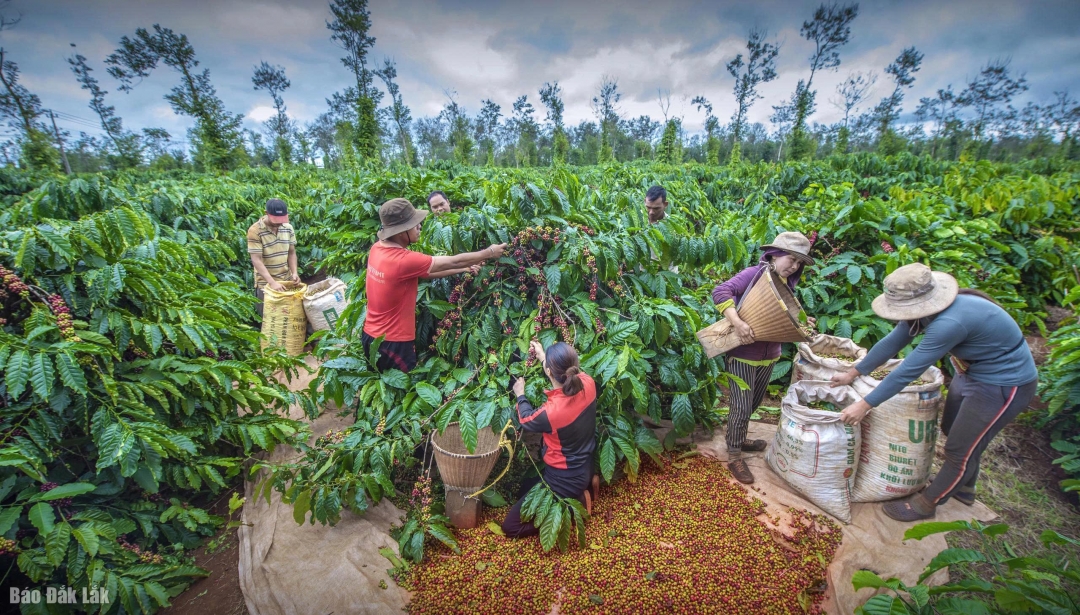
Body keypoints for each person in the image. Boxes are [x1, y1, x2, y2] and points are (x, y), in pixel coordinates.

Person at [829, 263, 1037, 522]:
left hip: (1003, 384)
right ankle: (965, 489)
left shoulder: (949, 322)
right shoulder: (923, 314)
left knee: (959, 450)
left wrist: (865, 404)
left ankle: (927, 503)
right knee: (954, 431)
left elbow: (908, 370)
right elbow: (893, 342)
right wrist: (853, 372)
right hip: (968, 374)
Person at [708, 232, 815, 484]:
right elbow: (721, 291)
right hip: (743, 354)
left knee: (754, 404)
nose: (795, 266)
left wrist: (803, 321)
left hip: (770, 356)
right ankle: (734, 455)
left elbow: (781, 316)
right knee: (740, 406)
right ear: (775, 255)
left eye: (799, 263)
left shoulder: (785, 285)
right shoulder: (754, 276)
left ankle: (739, 436)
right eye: (791, 259)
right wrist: (738, 322)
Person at [363, 198, 505, 373]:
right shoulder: (403, 260)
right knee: (400, 390)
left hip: (370, 336)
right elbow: (452, 261)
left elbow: (425, 272)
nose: (420, 227)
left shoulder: (377, 248)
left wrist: (465, 268)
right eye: (415, 224)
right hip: (393, 343)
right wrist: (489, 252)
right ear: (401, 231)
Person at [503, 340, 599, 538]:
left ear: (549, 372)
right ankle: (588, 485)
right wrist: (543, 358)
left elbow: (526, 418)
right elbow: (566, 377)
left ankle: (573, 511)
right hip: (585, 464)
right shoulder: (588, 383)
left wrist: (520, 394)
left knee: (510, 527)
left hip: (564, 479)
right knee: (524, 488)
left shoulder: (551, 413)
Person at [247, 198, 299, 316]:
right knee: (268, 322)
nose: (278, 223)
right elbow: (256, 259)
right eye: (276, 220)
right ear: (266, 213)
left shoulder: (288, 227)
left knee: (288, 318)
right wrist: (272, 282)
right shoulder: (255, 231)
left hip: (286, 280)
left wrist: (294, 273)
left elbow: (291, 252)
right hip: (265, 284)